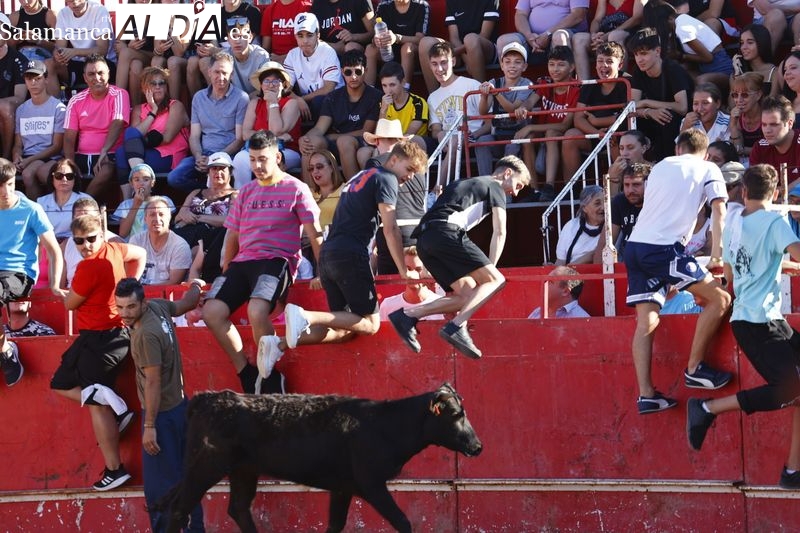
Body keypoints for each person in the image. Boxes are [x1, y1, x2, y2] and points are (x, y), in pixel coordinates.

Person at [687, 163, 800, 491]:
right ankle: (707, 408)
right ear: (776, 193)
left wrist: (778, 264)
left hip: (757, 320)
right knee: (789, 388)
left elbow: (736, 276)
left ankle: (793, 470)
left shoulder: (735, 224)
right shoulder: (776, 221)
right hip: (759, 322)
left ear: (745, 192)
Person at [273, 141, 427, 371]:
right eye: (410, 169)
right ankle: (306, 316)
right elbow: (391, 229)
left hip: (328, 256)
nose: (411, 177)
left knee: (344, 330)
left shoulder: (361, 175)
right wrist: (403, 271)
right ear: (394, 160)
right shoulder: (387, 178)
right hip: (349, 255)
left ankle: (278, 345)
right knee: (371, 324)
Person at [202, 130, 322, 395]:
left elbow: (315, 234)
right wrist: (226, 268)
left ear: (277, 157)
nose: (257, 166)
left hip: (277, 261)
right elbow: (232, 234)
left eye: (263, 159)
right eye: (253, 160)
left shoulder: (297, 188)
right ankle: (246, 372)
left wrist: (322, 271)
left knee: (257, 311)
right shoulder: (245, 192)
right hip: (243, 263)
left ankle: (269, 376)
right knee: (211, 312)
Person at [624, 128, 731, 415]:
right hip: (664, 249)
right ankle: (695, 367)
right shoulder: (709, 167)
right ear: (705, 152)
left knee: (646, 321)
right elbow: (719, 211)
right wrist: (717, 255)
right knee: (720, 299)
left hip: (635, 247)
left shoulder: (660, 167)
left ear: (678, 149)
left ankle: (647, 394)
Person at [388, 155, 531, 359]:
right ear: (507, 173)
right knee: (495, 280)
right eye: (518, 185)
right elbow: (500, 232)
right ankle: (457, 326)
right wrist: (490, 272)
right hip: (446, 232)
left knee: (467, 296)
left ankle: (408, 315)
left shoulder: (462, 182)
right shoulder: (495, 186)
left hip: (424, 240)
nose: (515, 193)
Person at [50, 214, 146, 491]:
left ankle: (115, 470)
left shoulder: (88, 267)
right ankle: (117, 409)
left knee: (94, 402)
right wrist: (129, 286)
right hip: (109, 338)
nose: (85, 246)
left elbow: (70, 304)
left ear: (101, 235)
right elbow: (139, 254)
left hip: (101, 340)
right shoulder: (115, 249)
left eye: (91, 239)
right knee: (60, 384)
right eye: (79, 241)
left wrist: (61, 292)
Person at [114, 277, 205, 531]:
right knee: (187, 481)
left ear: (142, 303)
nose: (125, 314)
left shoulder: (145, 334)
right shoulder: (158, 307)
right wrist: (196, 286)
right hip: (180, 407)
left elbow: (152, 381)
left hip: (161, 416)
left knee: (160, 493)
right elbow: (185, 304)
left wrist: (150, 425)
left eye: (130, 307)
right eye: (120, 307)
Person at [0, 158, 64, 388]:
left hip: (21, 275)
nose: (6, 191)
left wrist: (55, 284)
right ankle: (6, 351)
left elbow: (54, 250)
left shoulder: (31, 209)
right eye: (0, 185)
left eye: (9, 184)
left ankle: (6, 351)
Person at [167, 52, 248, 193]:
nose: (221, 77)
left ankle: (218, 194)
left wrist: (216, 159)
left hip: (228, 154)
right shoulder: (199, 98)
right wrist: (198, 156)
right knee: (175, 178)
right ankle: (205, 193)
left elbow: (239, 139)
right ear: (209, 72)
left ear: (232, 74)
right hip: (203, 154)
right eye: (217, 72)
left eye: (225, 73)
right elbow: (194, 135)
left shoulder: (241, 98)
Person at [299, 49, 381, 181]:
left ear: (365, 71)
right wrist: (305, 139)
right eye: (348, 72)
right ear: (342, 72)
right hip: (336, 144)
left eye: (358, 72)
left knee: (344, 141)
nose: (353, 77)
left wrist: (335, 136)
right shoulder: (333, 97)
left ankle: (354, 193)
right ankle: (310, 195)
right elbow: (319, 128)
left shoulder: (375, 96)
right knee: (310, 144)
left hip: (362, 143)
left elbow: (366, 132)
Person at [513, 45, 580, 201]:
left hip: (561, 134)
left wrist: (530, 125)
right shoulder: (545, 82)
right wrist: (523, 108)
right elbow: (530, 102)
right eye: (551, 64)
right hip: (541, 133)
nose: (555, 69)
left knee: (548, 133)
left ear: (572, 67)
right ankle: (534, 190)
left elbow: (564, 125)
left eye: (561, 64)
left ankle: (549, 186)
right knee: (527, 136)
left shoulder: (577, 88)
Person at [362, 119, 427, 275]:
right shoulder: (416, 165)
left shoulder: (375, 163)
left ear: (376, 141)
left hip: (392, 233)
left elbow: (374, 202)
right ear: (400, 142)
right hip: (420, 232)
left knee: (390, 290)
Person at [561, 41, 629, 186]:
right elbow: (578, 119)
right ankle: (570, 190)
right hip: (595, 135)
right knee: (570, 136)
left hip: (617, 135)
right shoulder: (590, 85)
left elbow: (626, 117)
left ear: (620, 65)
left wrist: (599, 123)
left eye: (609, 61)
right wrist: (598, 133)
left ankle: (621, 189)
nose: (603, 66)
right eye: (600, 61)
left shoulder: (627, 83)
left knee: (617, 139)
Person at [62, 55, 130, 198]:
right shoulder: (75, 101)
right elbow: (69, 137)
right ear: (85, 78)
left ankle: (80, 205)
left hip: (110, 155)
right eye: (91, 74)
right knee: (57, 172)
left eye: (101, 73)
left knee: (106, 170)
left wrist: (104, 150)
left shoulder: (119, 94)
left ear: (108, 74)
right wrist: (70, 163)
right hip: (83, 156)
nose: (96, 78)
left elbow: (117, 123)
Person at [115, 66, 190, 194]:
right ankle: (129, 201)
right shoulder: (138, 109)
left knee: (128, 142)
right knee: (122, 151)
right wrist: (153, 111)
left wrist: (139, 142)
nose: (158, 87)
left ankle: (140, 186)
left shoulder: (175, 106)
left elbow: (166, 138)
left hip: (169, 156)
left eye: (162, 83)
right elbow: (134, 136)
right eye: (153, 83)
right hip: (144, 154)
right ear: (144, 89)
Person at [628, 27, 693, 163]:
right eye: (636, 54)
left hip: (680, 121)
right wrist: (649, 112)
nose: (639, 59)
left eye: (644, 53)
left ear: (657, 51)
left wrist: (647, 103)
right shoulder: (639, 72)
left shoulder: (672, 69)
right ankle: (631, 167)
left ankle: (667, 165)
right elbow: (630, 107)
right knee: (628, 122)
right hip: (654, 117)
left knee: (666, 117)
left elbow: (682, 107)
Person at [426, 41, 486, 186]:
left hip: (472, 139)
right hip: (447, 143)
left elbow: (489, 122)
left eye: (444, 62)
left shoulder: (471, 85)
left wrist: (474, 135)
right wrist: (440, 135)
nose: (439, 69)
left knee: (454, 140)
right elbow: (435, 129)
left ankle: (436, 190)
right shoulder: (432, 97)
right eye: (434, 64)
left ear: (453, 61)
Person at [233, 61, 301, 185]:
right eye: (266, 81)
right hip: (256, 149)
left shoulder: (291, 103)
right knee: (239, 159)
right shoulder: (255, 103)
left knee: (269, 159)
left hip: (287, 150)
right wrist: (276, 137)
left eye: (275, 81)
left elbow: (276, 130)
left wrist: (273, 102)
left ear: (284, 84)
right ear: (261, 85)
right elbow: (246, 134)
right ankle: (241, 198)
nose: (271, 85)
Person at [475, 42, 534, 177]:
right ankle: (485, 186)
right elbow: (483, 112)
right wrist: (484, 96)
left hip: (517, 136)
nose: (512, 65)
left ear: (524, 67)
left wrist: (495, 93)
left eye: (517, 62)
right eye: (507, 62)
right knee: (481, 142)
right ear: (501, 65)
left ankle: (506, 195)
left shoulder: (526, 84)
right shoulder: (494, 82)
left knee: (511, 147)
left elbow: (513, 109)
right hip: (497, 134)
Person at [418, 0, 499, 92]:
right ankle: (435, 100)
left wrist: (461, 51)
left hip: (485, 49)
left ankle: (482, 94)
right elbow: (454, 38)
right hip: (459, 50)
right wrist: (466, 58)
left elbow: (484, 35)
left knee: (470, 39)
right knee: (425, 42)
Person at [173, 152, 238, 266]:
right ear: (208, 172)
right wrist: (185, 215)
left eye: (223, 169)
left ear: (230, 172)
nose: (218, 172)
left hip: (213, 239)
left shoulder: (235, 195)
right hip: (186, 234)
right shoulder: (196, 192)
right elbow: (178, 218)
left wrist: (200, 218)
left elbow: (231, 220)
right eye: (214, 169)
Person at [12, 59, 64, 199]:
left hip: (50, 157)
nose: (33, 83)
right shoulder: (21, 110)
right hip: (28, 158)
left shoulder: (58, 108)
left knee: (29, 174)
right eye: (29, 79)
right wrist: (16, 156)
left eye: (38, 78)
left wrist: (30, 160)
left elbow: (57, 146)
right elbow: (18, 144)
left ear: (46, 80)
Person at [283, 12, 343, 121]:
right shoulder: (292, 54)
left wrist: (301, 99)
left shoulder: (328, 52)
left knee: (319, 101)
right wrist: (297, 99)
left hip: (334, 101)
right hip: (307, 101)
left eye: (309, 35)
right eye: (300, 35)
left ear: (318, 35)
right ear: (295, 36)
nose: (305, 40)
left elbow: (329, 88)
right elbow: (284, 88)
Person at [495, 0, 588, 68]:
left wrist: (548, 33)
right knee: (503, 41)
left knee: (560, 36)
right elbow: (520, 14)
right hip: (532, 39)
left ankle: (564, 90)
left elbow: (578, 14)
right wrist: (529, 36)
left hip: (562, 33)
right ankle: (509, 91)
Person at [53, 0, 115, 91]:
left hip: (103, 61)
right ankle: (57, 103)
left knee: (94, 67)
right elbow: (59, 47)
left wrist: (75, 52)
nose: (75, 3)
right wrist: (58, 55)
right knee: (50, 65)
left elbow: (102, 50)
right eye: (70, 0)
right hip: (76, 63)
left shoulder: (99, 10)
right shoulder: (63, 13)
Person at [593, 162, 650, 263]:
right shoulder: (620, 201)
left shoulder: (658, 201)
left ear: (649, 184)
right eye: (626, 185)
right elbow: (604, 244)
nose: (630, 190)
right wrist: (600, 276)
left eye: (636, 185)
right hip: (627, 262)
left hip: (653, 261)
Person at [364, 0, 430, 86]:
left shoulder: (421, 5)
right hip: (388, 51)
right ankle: (368, 91)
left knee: (407, 48)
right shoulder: (383, 5)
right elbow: (375, 34)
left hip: (413, 53)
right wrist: (376, 40)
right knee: (370, 49)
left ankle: (404, 89)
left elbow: (420, 39)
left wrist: (396, 38)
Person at [129, 197, 192, 286]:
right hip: (138, 295)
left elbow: (174, 282)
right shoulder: (136, 241)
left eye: (161, 214)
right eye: (152, 214)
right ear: (145, 219)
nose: (157, 219)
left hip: (165, 297)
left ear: (169, 218)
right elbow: (130, 275)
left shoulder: (180, 246)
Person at [111, 164, 176, 240]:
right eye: (136, 180)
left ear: (152, 182)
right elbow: (123, 233)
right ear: (131, 184)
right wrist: (136, 205)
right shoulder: (126, 205)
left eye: (146, 179)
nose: (141, 183)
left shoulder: (163, 201)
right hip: (134, 247)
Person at [379, 245, 444, 321]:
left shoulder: (442, 305)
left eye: (418, 269)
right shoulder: (388, 305)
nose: (413, 275)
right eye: (408, 269)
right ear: (401, 271)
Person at [750, 95, 800, 187]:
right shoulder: (759, 147)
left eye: (774, 124)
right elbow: (755, 186)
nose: (767, 130)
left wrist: (782, 193)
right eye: (764, 125)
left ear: (789, 123)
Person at [36, 158, 91, 241]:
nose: (64, 179)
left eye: (69, 176)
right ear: (52, 178)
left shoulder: (86, 201)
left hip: (76, 245)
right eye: (59, 176)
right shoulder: (41, 202)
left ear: (75, 179)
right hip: (48, 246)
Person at [555, 185, 604, 265]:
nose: (603, 207)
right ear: (584, 208)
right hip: (569, 275)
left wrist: (568, 268)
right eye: (597, 203)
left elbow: (596, 253)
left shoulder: (611, 226)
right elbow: (560, 261)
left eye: (605, 202)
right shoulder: (571, 226)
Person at [0, 31, 29, 160]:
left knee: (4, 107)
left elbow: (20, 97)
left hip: (11, 110)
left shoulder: (19, 60)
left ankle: (5, 158)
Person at [260, 0, 313, 64]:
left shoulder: (306, 8)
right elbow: (265, 47)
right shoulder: (270, 10)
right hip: (275, 63)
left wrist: (285, 58)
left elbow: (310, 46)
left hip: (300, 63)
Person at [728, 72, 765, 162]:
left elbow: (767, 149)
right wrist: (733, 126)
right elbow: (738, 147)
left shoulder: (767, 116)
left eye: (745, 95)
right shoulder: (737, 117)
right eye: (735, 95)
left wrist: (742, 150)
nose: (739, 100)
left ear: (758, 95)